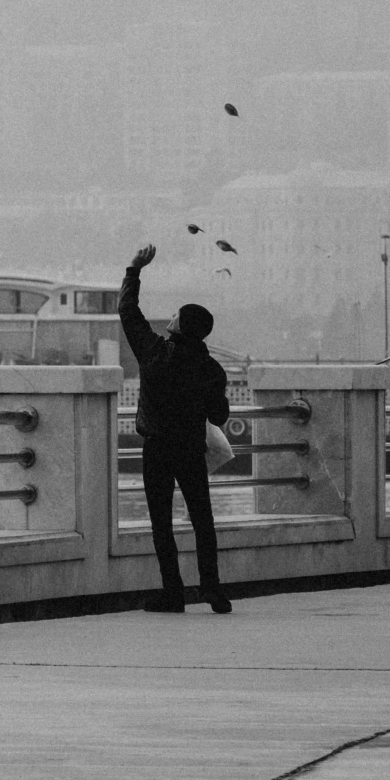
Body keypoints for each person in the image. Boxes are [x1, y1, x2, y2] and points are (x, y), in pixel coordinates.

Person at [119, 243, 232, 614]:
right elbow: (218, 417)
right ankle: (212, 590)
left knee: (161, 522)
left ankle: (173, 593)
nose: (169, 317)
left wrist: (134, 270)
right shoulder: (211, 369)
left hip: (157, 448)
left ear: (181, 325)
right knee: (202, 519)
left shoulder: (153, 352)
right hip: (190, 449)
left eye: (175, 315)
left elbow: (127, 311)